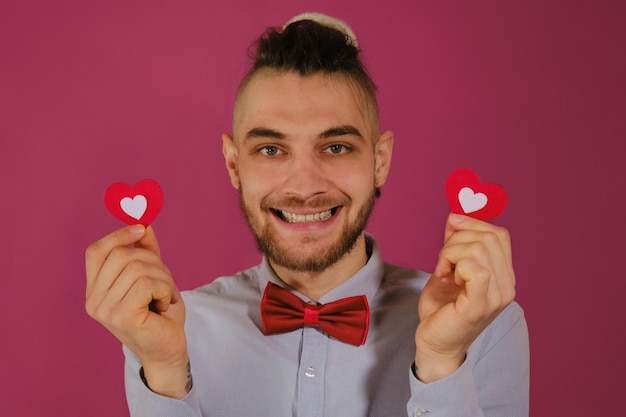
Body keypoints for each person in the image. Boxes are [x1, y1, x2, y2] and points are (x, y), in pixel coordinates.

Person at [85, 12, 529, 417]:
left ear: (379, 161)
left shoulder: (484, 324)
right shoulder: (166, 331)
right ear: (234, 164)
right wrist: (165, 372)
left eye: (335, 147)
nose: (304, 186)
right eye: (271, 149)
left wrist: (441, 362)